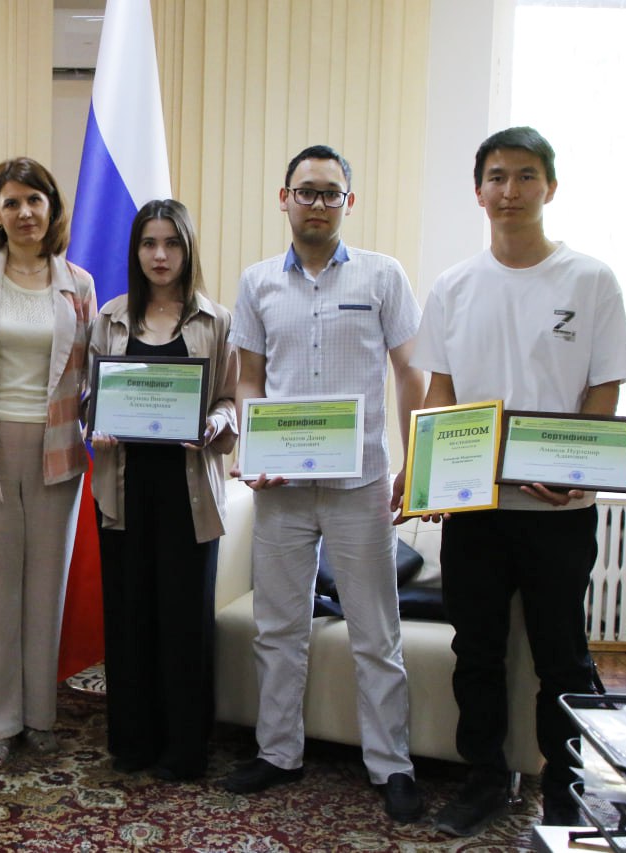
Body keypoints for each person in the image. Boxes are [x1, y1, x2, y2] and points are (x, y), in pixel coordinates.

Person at [411, 127, 626, 836]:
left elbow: (604, 387)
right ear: (479, 192)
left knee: (561, 655)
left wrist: (578, 471)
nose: (510, 190)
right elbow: (442, 394)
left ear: (551, 187)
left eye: (526, 176)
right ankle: (483, 779)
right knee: (475, 651)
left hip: (559, 512)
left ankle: (564, 791)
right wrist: (430, 477)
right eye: (497, 177)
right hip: (477, 509)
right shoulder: (454, 285)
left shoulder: (590, 279)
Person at [220, 145, 426, 823]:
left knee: (375, 629)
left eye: (330, 193)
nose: (317, 203)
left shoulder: (382, 275)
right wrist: (252, 448)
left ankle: (391, 764)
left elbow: (409, 372)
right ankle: (278, 752)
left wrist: (414, 461)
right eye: (305, 191)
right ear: (284, 198)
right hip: (282, 485)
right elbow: (250, 379)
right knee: (278, 626)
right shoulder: (257, 283)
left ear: (349, 203)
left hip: (359, 483)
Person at [0, 157, 96, 770]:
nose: (25, 212)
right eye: (11, 202)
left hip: (59, 448)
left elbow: (94, 373)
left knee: (45, 587)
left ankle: (38, 716)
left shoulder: (78, 284)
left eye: (35, 200)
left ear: (51, 208)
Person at [89, 199, 239, 780]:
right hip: (123, 488)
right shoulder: (110, 318)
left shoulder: (216, 320)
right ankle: (133, 742)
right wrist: (95, 420)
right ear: (135, 251)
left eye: (171, 243)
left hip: (189, 490)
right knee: (129, 615)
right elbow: (87, 394)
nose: (159, 255)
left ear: (187, 250)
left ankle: (184, 748)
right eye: (149, 243)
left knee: (184, 619)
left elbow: (230, 400)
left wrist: (217, 424)